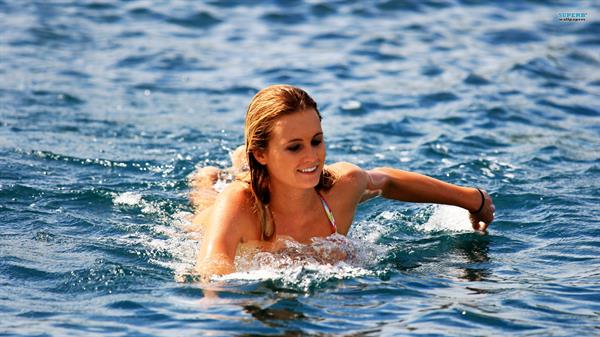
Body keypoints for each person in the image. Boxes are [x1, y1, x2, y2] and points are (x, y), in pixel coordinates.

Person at [188, 85, 495, 277]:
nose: (312, 156)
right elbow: (213, 264)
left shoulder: (340, 187)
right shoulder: (239, 204)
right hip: (228, 208)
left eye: (316, 141)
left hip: (277, 174)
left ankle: (250, 162)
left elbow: (386, 180)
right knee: (207, 199)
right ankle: (218, 174)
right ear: (263, 153)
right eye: (295, 146)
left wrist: (472, 199)